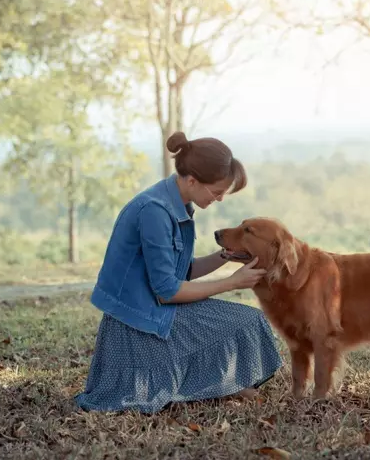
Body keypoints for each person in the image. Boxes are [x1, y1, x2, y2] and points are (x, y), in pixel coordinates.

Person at [75, 131, 282, 414]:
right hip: (139, 320)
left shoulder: (176, 203)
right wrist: (231, 283)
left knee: (248, 320)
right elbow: (168, 291)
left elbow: (182, 271)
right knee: (247, 320)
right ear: (193, 180)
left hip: (156, 308)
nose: (220, 198)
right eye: (217, 191)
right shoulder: (155, 211)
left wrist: (226, 256)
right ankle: (211, 384)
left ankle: (222, 383)